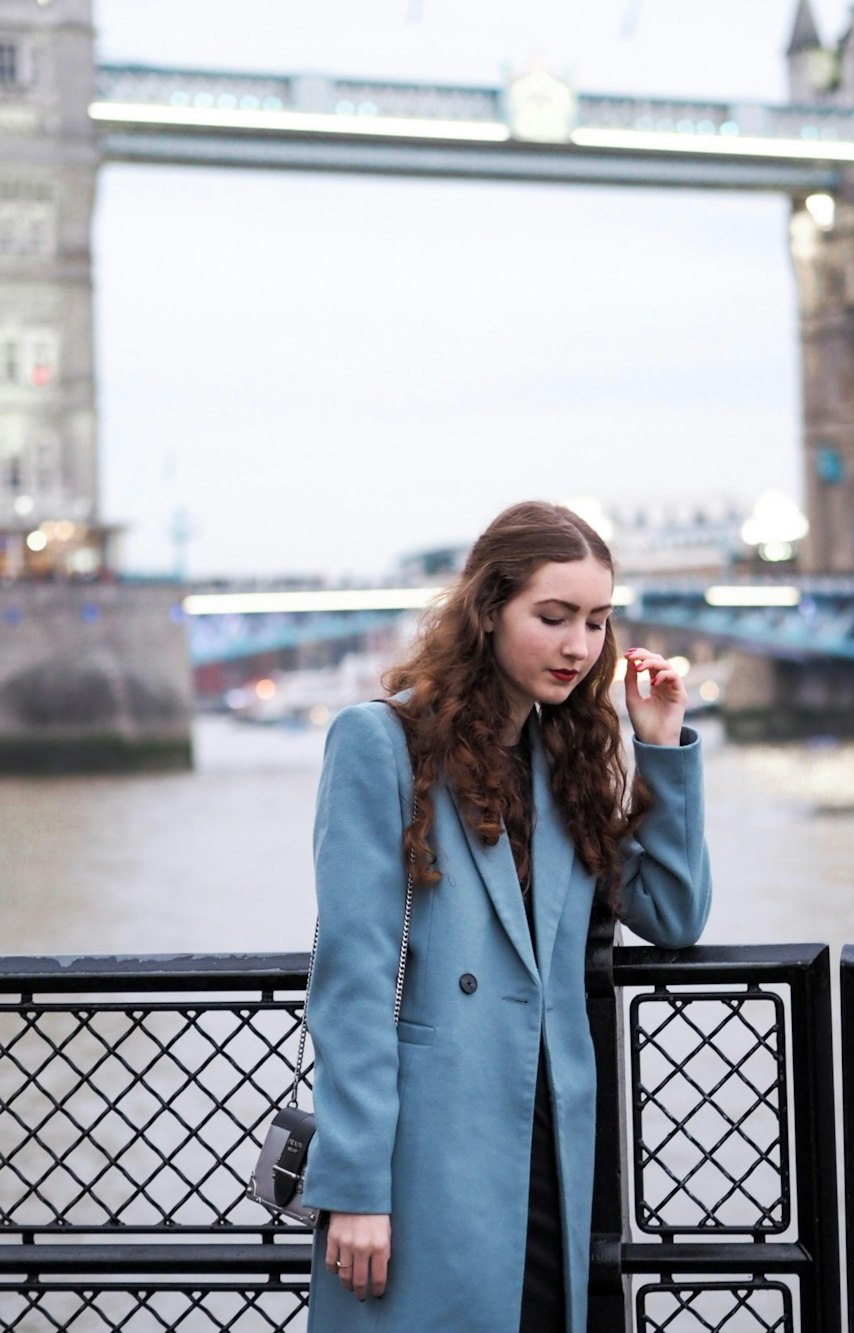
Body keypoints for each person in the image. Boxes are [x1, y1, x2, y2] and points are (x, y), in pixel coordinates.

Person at [302, 501, 712, 1333]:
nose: (579, 647)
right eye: (553, 617)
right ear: (489, 612)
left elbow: (672, 914)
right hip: (427, 1149)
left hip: (551, 1145)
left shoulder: (568, 757)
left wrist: (660, 746)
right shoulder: (383, 744)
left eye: (598, 622)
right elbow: (353, 979)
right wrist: (354, 1185)